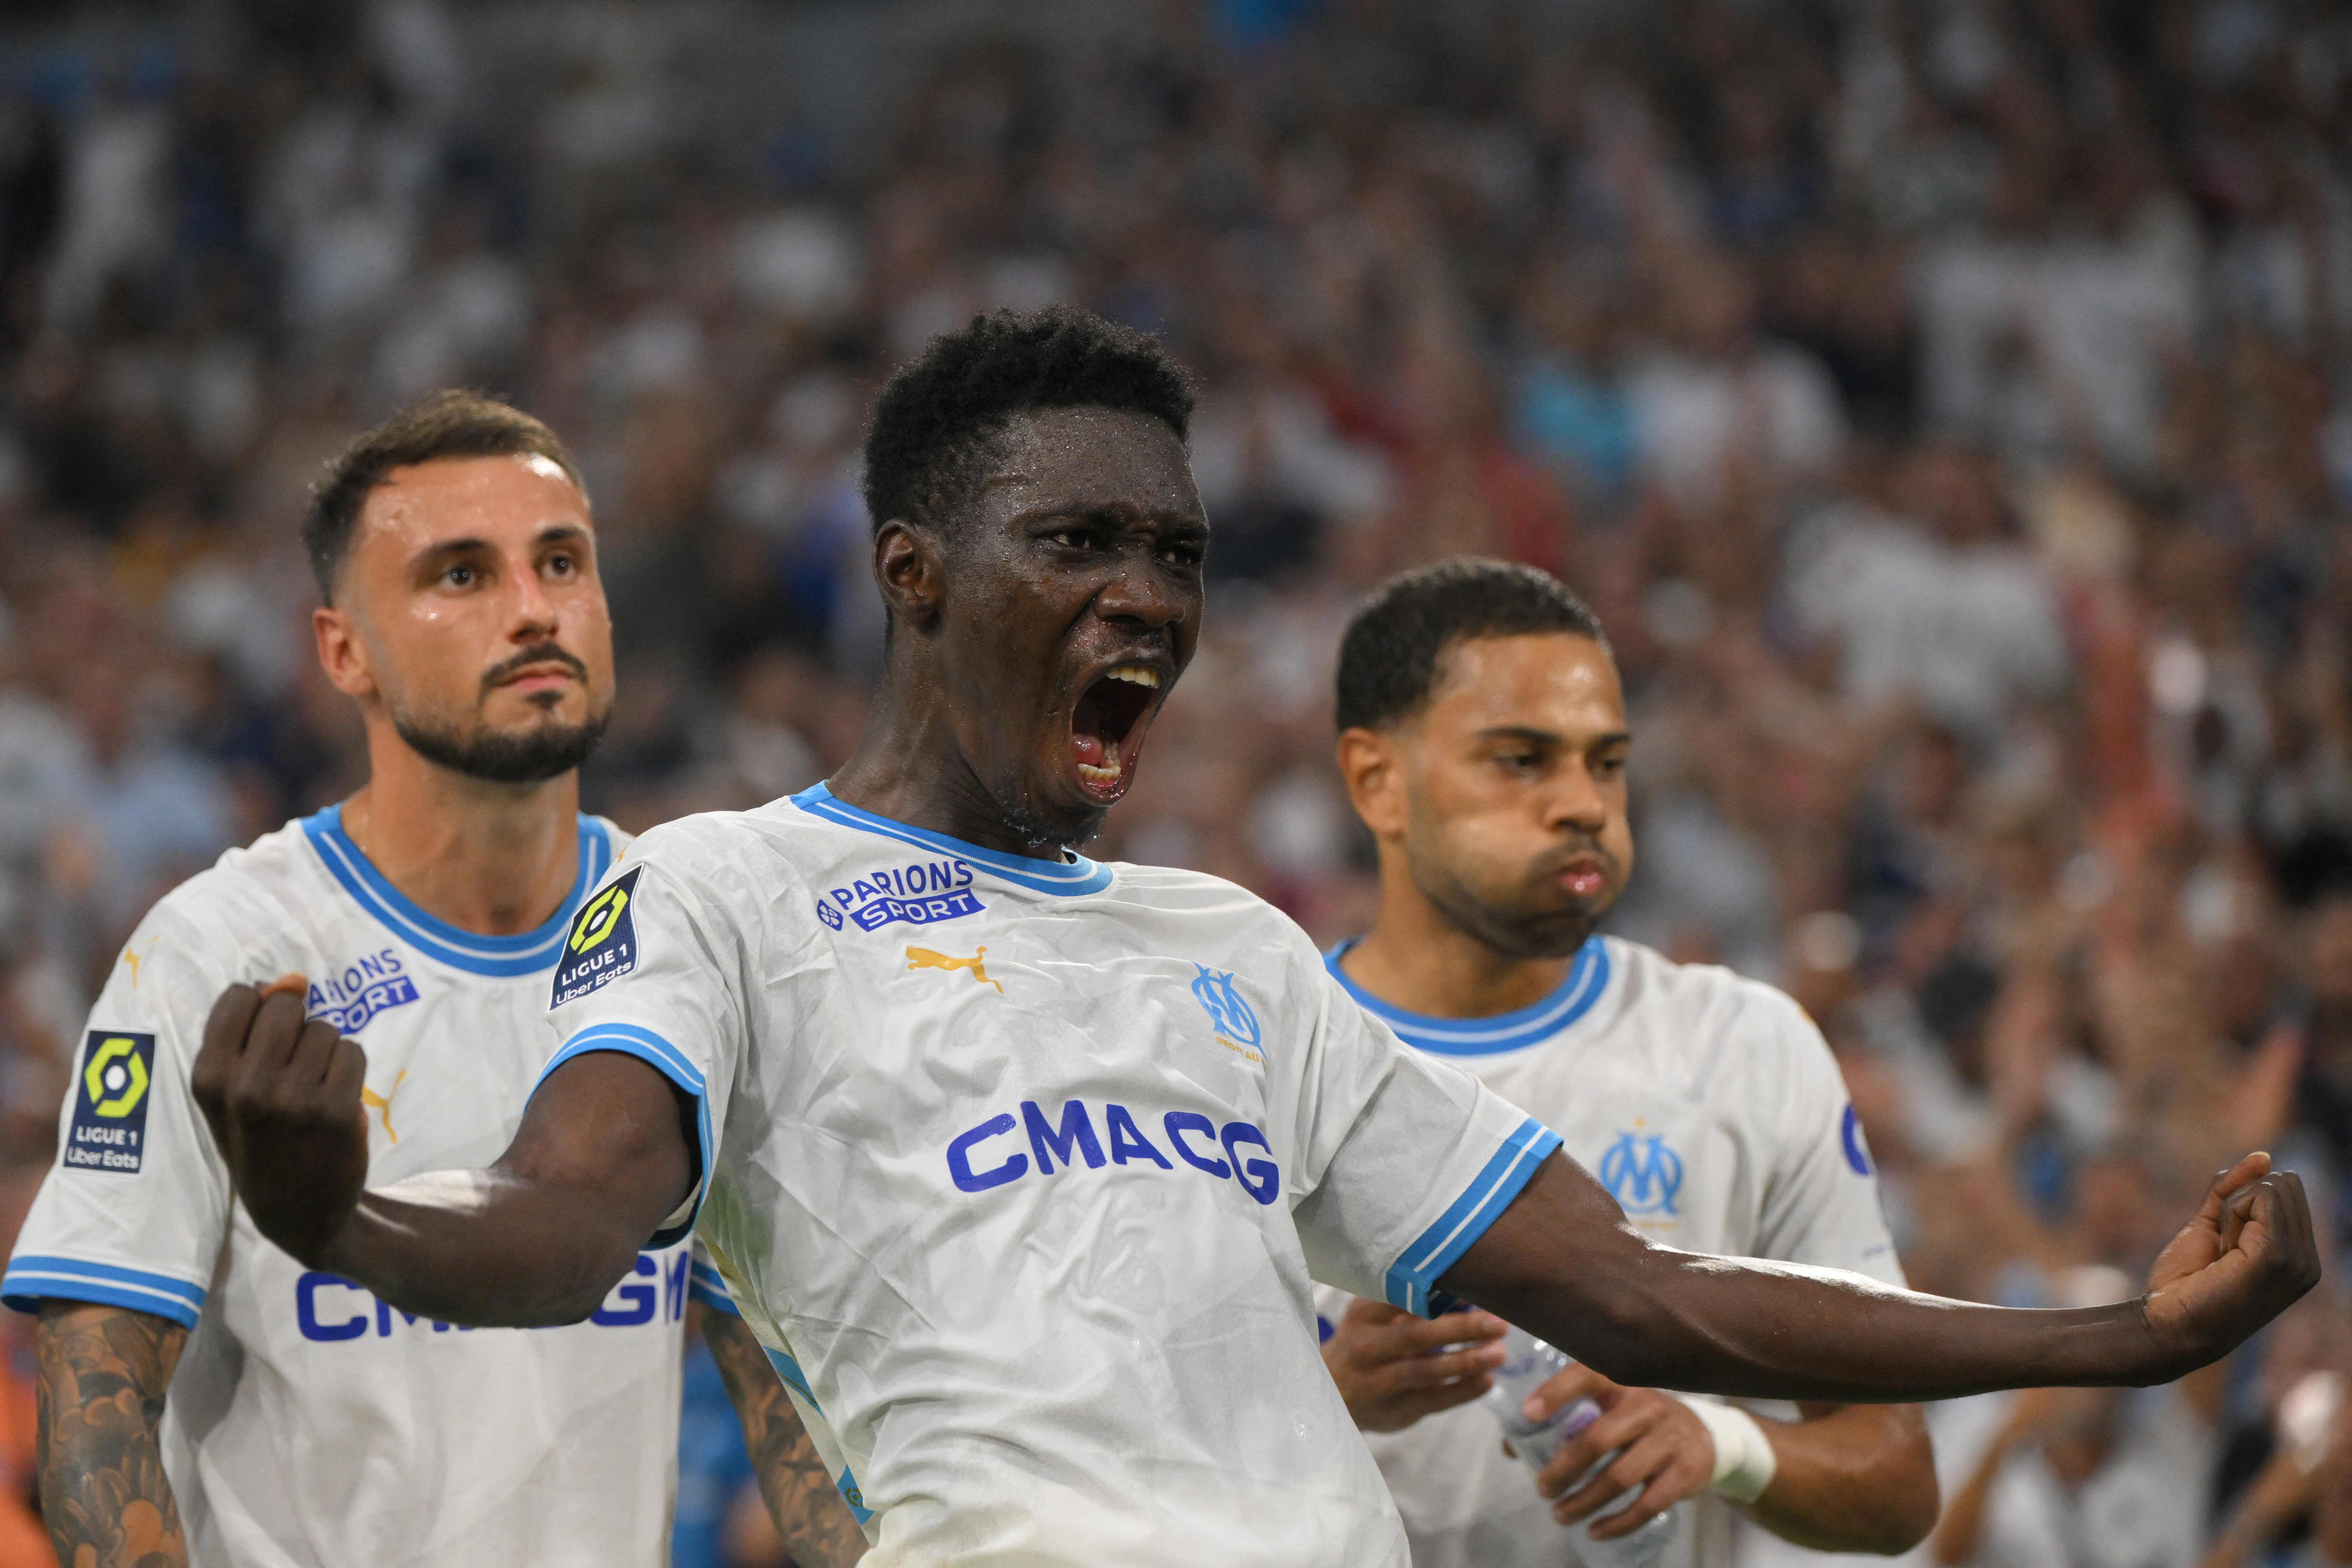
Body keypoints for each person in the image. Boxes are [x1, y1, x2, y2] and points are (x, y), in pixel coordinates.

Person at [188, 310, 2316, 1568]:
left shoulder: (1232, 943)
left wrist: (2111, 1332)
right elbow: (568, 1213)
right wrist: (339, 1209)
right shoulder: (724, 891)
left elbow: (1650, 1295)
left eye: (1176, 552)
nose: (1146, 595)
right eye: (1079, 542)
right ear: (915, 577)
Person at [0, 392, 866, 1568]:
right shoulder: (219, 950)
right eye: (460, 576)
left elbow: (794, 1394)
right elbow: (97, 1398)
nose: (530, 608)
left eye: (561, 561)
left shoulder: (692, 940)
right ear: (341, 649)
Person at [1314, 555, 1938, 1565]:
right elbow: (1096, 1480)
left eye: (1605, 762)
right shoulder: (1239, 1067)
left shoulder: (1743, 1046)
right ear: (1376, 780)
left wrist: (1724, 1441)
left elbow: (1897, 1477)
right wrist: (1323, 1400)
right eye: (1520, 759)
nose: (1582, 804)